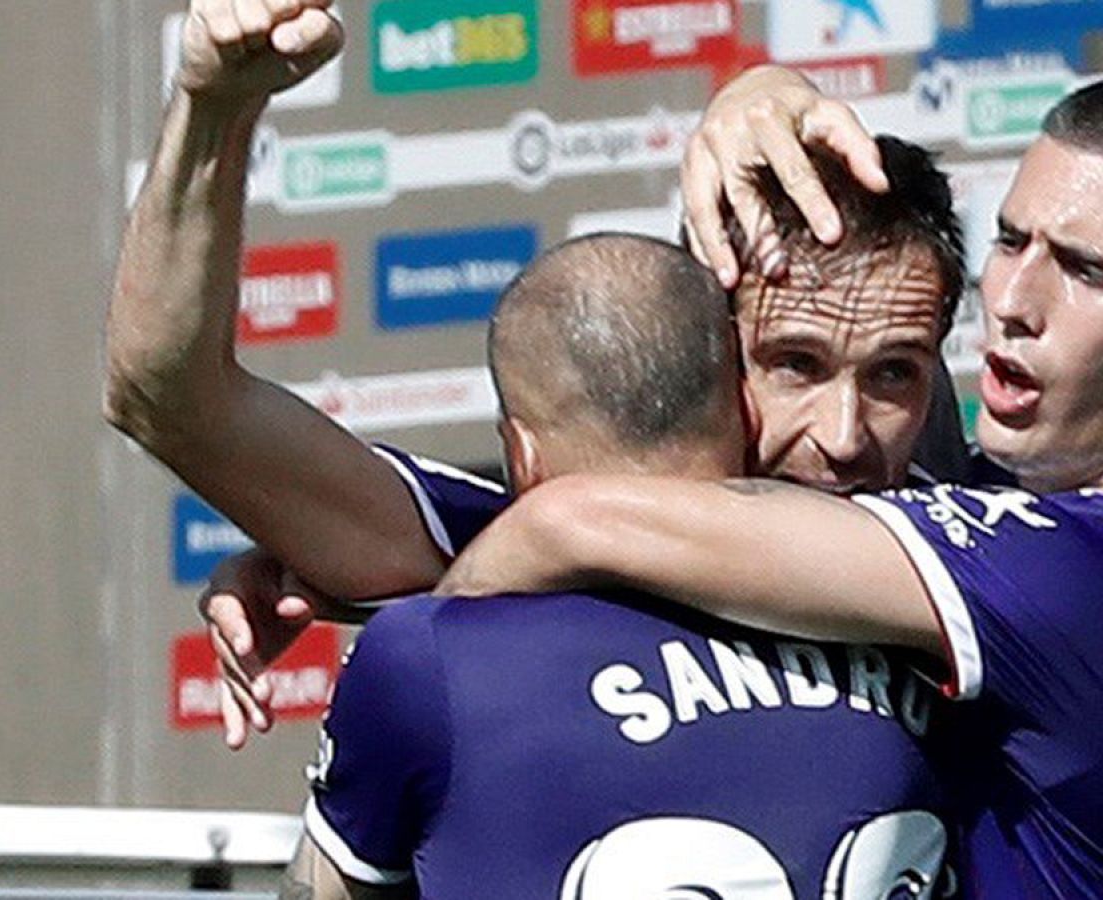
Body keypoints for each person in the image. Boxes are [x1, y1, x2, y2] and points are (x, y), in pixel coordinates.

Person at [428, 66, 1103, 897]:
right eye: (1013, 240)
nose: (1013, 299)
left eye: (1088, 271)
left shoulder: (1102, 583)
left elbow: (579, 523)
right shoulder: (1084, 530)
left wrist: (456, 609)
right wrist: (761, 92)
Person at [101, 0, 966, 747]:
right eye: (794, 366)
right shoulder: (535, 536)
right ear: (708, 352)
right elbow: (167, 395)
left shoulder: (995, 547)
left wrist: (767, 84)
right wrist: (216, 109)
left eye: (894, 377)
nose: (845, 436)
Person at [279, 233, 951, 898]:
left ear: (522, 456)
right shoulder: (943, 610)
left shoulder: (426, 656)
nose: (840, 437)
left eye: (892, 373)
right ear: (745, 412)